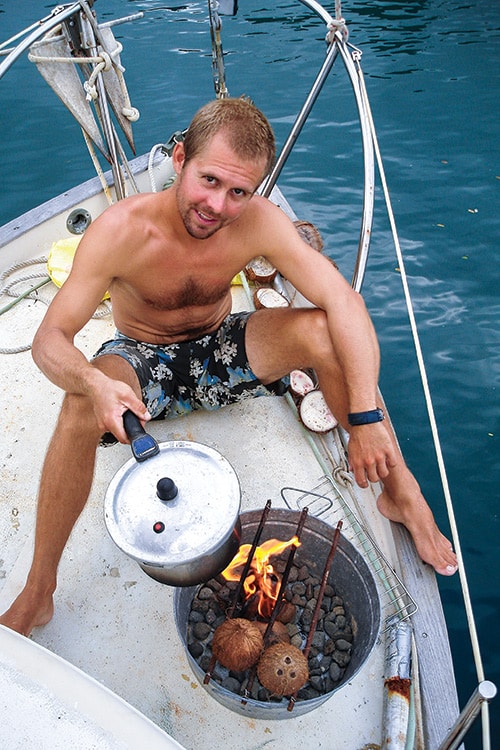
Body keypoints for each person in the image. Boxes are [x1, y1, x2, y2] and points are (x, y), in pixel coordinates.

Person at [0, 97, 457, 636]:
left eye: (239, 191)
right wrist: (94, 382)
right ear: (179, 159)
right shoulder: (122, 231)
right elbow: (49, 340)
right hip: (143, 362)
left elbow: (345, 303)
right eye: (209, 180)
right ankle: (39, 590)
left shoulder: (258, 223)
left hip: (221, 351)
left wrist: (365, 419)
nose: (218, 204)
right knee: (79, 403)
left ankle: (401, 490)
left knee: (320, 328)